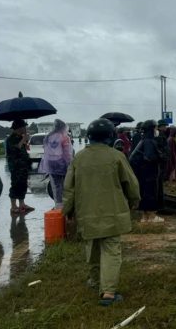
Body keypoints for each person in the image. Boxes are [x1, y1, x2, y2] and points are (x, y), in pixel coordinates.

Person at [63, 118, 140, 306]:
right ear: (110, 137)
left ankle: (95, 282)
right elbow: (131, 183)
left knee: (93, 249)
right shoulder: (116, 156)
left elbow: (69, 188)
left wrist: (68, 211)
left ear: (89, 137)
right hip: (112, 213)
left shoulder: (79, 158)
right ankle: (108, 293)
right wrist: (134, 201)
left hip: (86, 213)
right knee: (111, 251)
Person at [130, 120, 163, 223]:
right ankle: (152, 217)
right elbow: (150, 157)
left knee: (144, 193)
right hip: (149, 173)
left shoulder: (143, 140)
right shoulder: (150, 141)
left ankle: (144, 217)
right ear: (152, 129)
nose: (157, 130)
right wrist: (160, 157)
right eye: (156, 128)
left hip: (142, 173)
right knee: (151, 193)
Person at [39, 119, 74, 209]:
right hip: (62, 163)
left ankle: (58, 204)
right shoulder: (64, 137)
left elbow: (45, 150)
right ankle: (67, 204)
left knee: (56, 185)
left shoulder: (48, 136)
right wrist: (70, 163)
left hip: (51, 164)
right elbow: (67, 153)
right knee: (67, 184)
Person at [5, 119, 33, 214]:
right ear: (19, 128)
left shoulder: (20, 137)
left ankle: (22, 204)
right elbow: (15, 149)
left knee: (23, 184)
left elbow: (23, 150)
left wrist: (25, 141)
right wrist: (24, 139)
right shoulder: (11, 139)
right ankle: (13, 206)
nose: (25, 128)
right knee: (15, 185)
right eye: (24, 127)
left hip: (23, 166)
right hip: (16, 167)